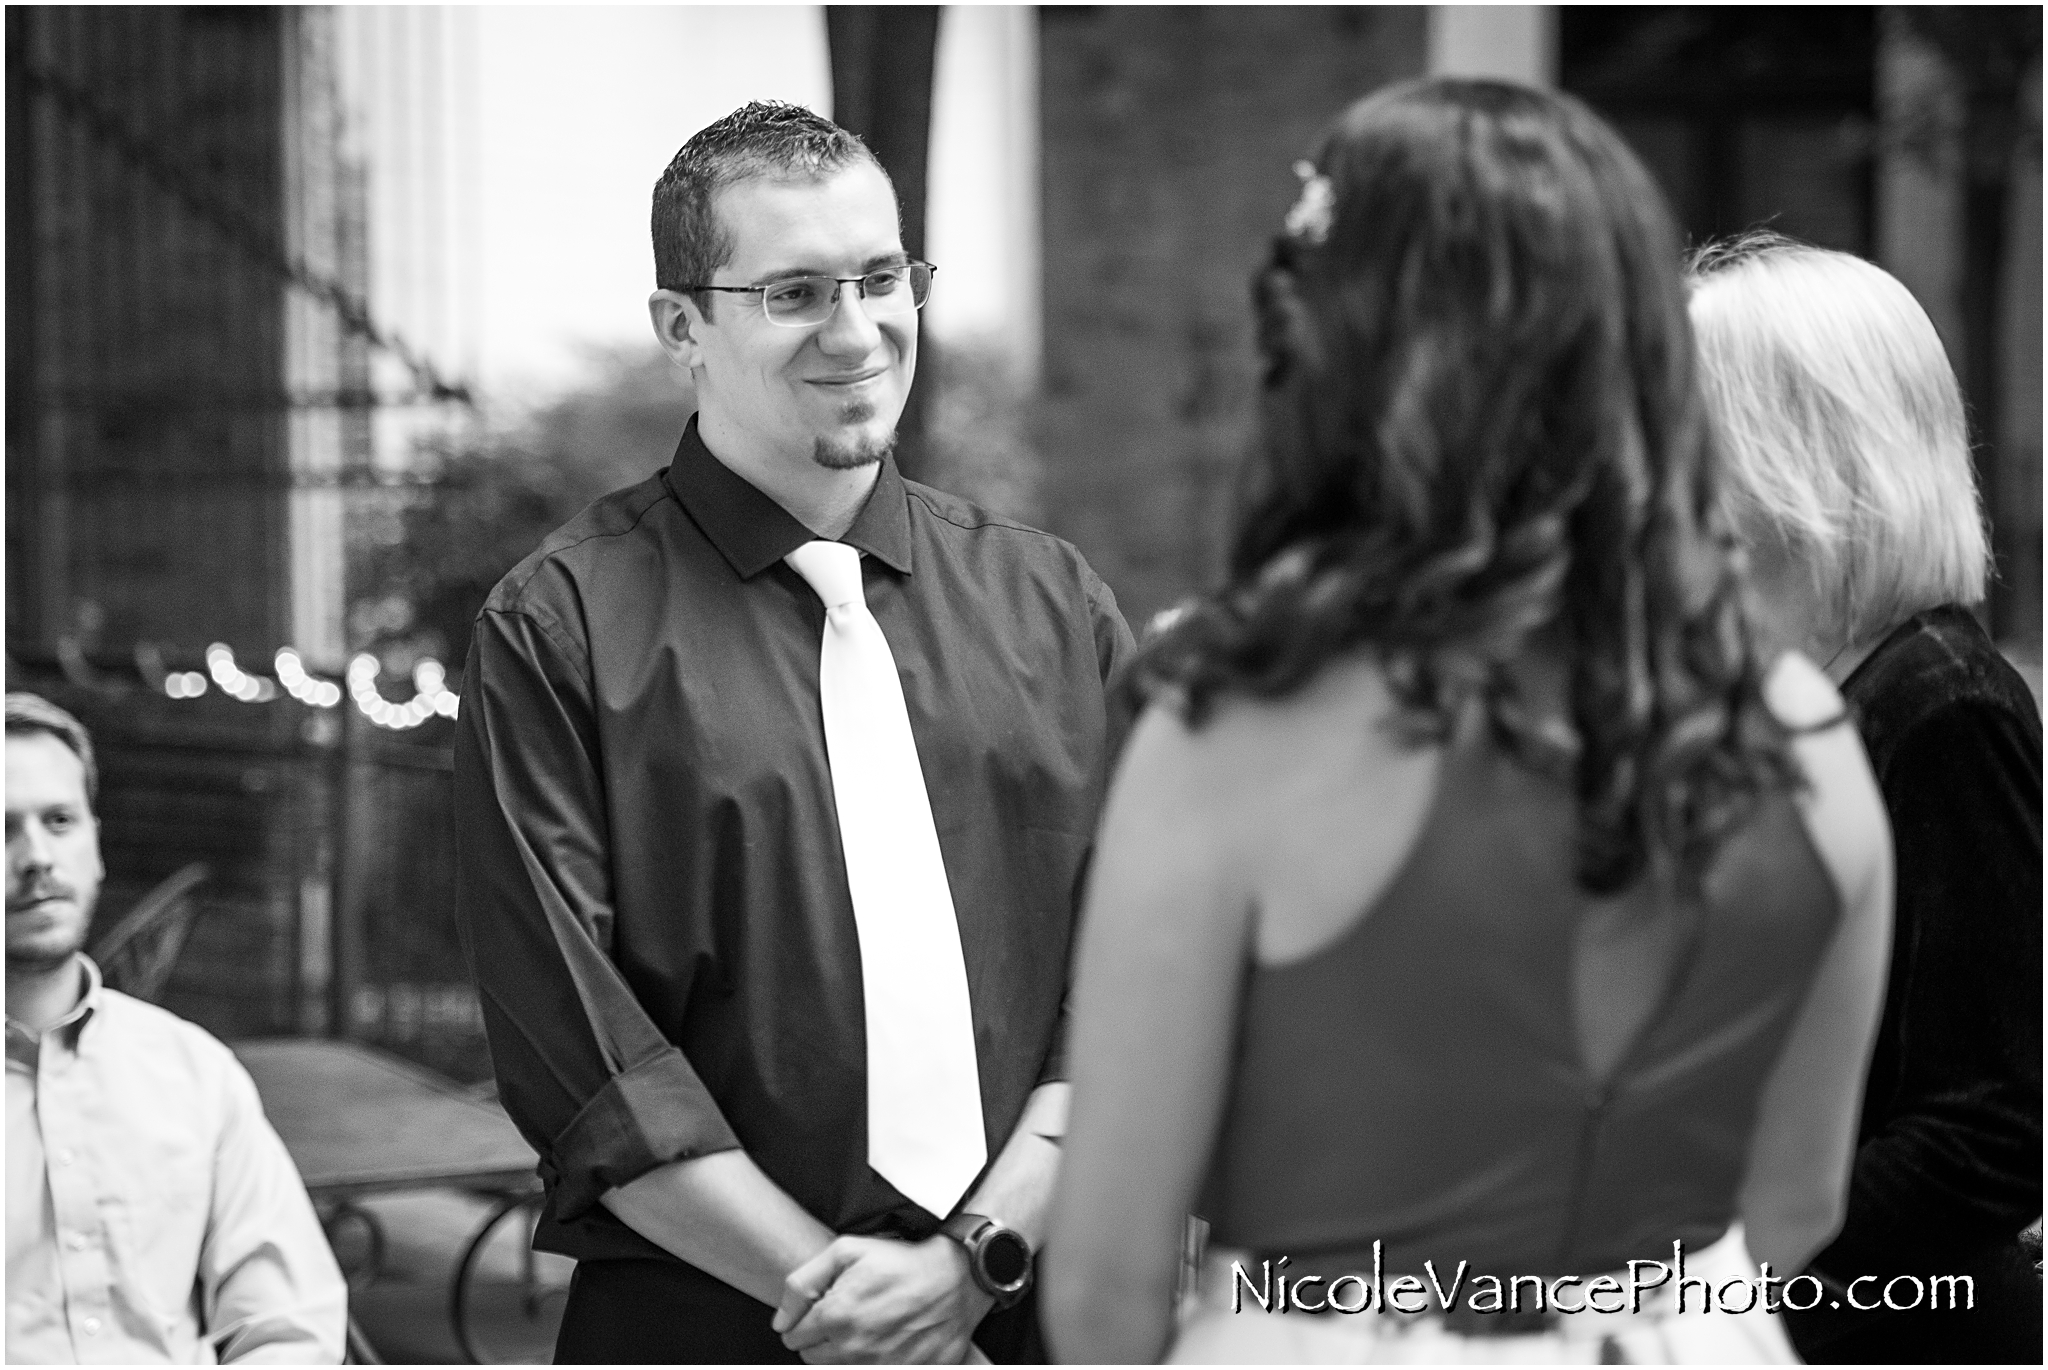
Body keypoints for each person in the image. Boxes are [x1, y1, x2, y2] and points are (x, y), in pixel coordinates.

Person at [1045, 79, 1894, 1363]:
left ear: (1333, 351)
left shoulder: (1238, 726)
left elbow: (1107, 1281)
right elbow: (1795, 1203)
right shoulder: (1802, 726)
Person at [453, 100, 1133, 1364]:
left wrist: (968, 1266)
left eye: (881, 278)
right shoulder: (558, 629)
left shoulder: (1057, 609)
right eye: (794, 292)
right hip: (703, 1323)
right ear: (682, 328)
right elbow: (586, 1061)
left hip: (1035, 1316)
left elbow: (1133, 989)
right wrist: (862, 1307)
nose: (856, 329)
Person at [1687, 234, 2042, 1363]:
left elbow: (1981, 1132)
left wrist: (1714, 1275)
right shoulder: (1800, 688)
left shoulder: (1940, 702)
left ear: (1790, 444)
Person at [5, 692, 347, 1363]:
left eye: (60, 820)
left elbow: (288, 1326)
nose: (37, 856)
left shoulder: (195, 1073)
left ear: (96, 845)